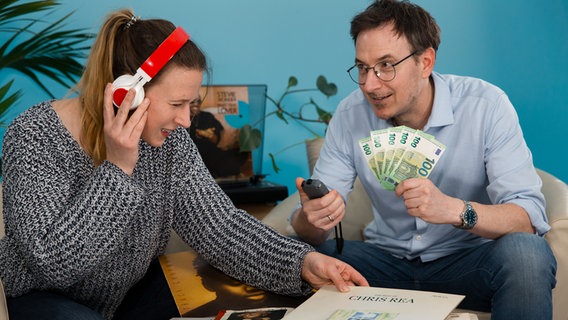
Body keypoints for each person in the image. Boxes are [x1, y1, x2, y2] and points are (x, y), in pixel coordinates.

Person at [0, 8, 368, 320]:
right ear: (127, 94)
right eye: (177, 104)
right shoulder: (34, 135)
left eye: (191, 105)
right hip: (39, 298)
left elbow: (221, 228)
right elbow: (54, 263)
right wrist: (118, 167)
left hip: (123, 297)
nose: (186, 121)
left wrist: (303, 263)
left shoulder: (168, 143)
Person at [290, 0, 557, 319]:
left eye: (386, 65)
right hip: (381, 266)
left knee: (527, 253)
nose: (371, 85)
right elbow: (313, 231)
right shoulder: (350, 115)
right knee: (294, 255)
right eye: (362, 68)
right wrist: (311, 218)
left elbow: (527, 218)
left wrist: (456, 210)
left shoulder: (486, 105)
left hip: (466, 265)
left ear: (425, 62)